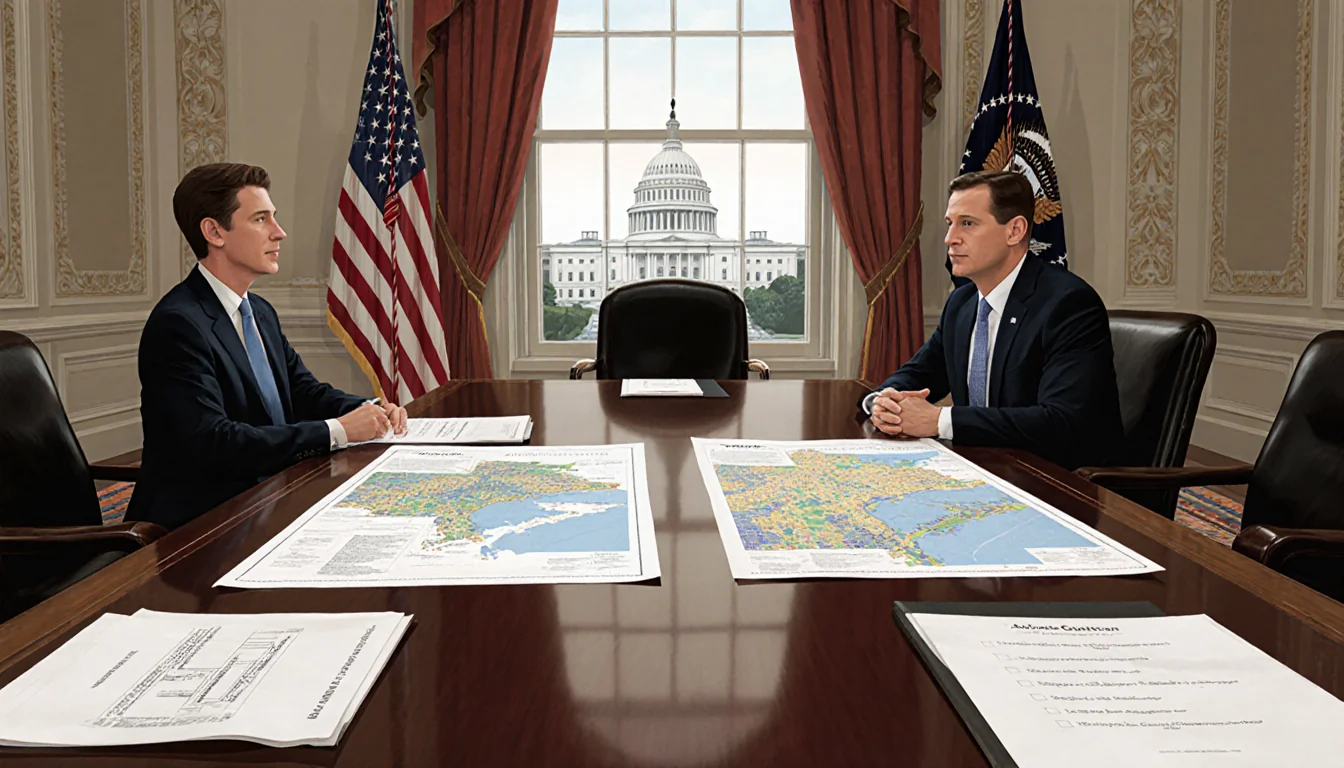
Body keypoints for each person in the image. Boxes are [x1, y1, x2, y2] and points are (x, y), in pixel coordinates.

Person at [127, 163, 408, 529]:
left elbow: (302, 390)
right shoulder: (178, 324)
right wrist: (337, 430)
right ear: (214, 232)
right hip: (200, 524)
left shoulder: (258, 311)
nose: (279, 233)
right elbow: (215, 442)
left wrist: (368, 410)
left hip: (268, 497)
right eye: (261, 220)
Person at [862, 170, 1122, 470]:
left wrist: (939, 420)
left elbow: (1061, 421)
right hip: (986, 469)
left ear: (1015, 231)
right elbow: (918, 373)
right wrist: (884, 401)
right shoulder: (962, 303)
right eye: (950, 224)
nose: (950, 239)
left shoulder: (1068, 305)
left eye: (968, 224)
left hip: (1060, 481)